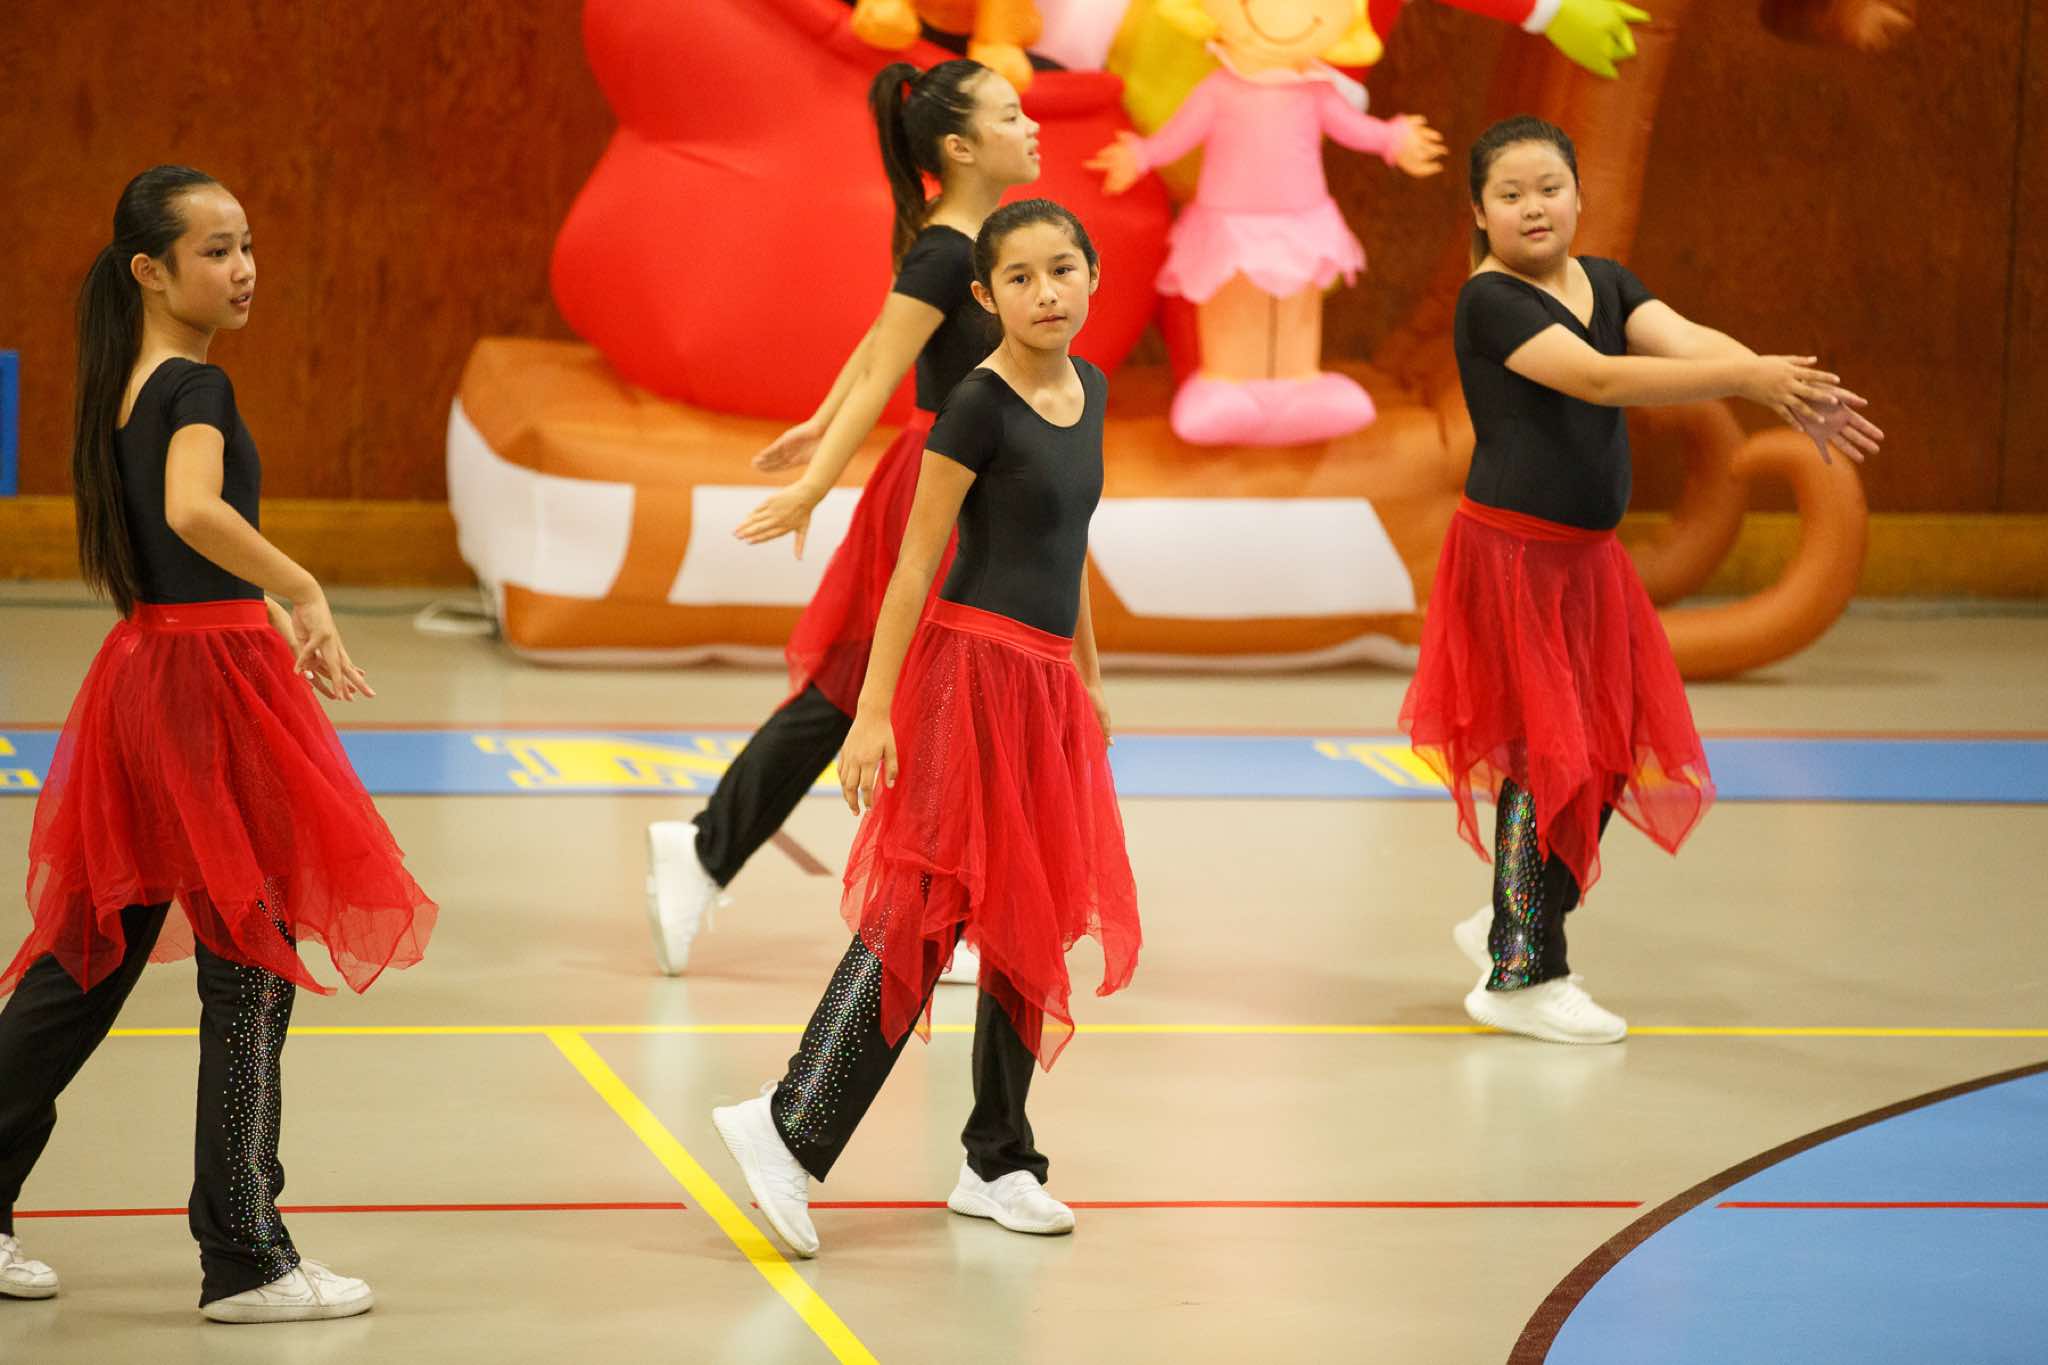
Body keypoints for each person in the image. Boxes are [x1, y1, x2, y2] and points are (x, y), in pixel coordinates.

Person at [0, 166, 435, 1321]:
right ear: (150, 270)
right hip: (204, 689)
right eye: (215, 251)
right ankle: (245, 1258)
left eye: (246, 246)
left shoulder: (128, 381)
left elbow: (175, 535)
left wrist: (265, 605)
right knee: (250, 966)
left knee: (86, 961)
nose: (243, 271)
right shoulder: (194, 385)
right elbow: (194, 511)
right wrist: (301, 587)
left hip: (154, 671)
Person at [713, 200, 1141, 1258]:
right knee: (923, 910)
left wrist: (1086, 676)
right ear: (985, 295)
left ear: (1092, 276)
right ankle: (787, 1127)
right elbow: (913, 568)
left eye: (1063, 270)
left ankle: (998, 1158)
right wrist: (871, 714)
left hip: (1043, 683)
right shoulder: (975, 406)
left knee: (1030, 913)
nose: (1046, 293)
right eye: (1020, 278)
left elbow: (1070, 544)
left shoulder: (1091, 390)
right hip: (968, 676)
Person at [1405, 116, 1883, 1044]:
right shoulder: (1490, 302)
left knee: (1611, 749)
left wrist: (1777, 382)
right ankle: (1521, 972)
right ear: (1480, 212)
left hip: (1588, 561)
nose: (1534, 207)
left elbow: (1685, 336)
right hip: (1515, 557)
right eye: (1511, 194)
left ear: (1579, 196)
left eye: (1550, 188)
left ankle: (1514, 910)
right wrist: (1745, 378)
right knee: (1548, 754)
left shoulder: (1609, 281)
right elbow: (1598, 380)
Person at [645, 58, 1044, 985]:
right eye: (1011, 114)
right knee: (910, 693)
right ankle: (927, 905)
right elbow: (885, 369)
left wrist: (819, 421)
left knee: (867, 692)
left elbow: (873, 344)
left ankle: (709, 850)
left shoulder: (979, 241)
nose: (1032, 128)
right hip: (938, 488)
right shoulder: (946, 250)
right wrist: (817, 480)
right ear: (960, 147)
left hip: (982, 484)